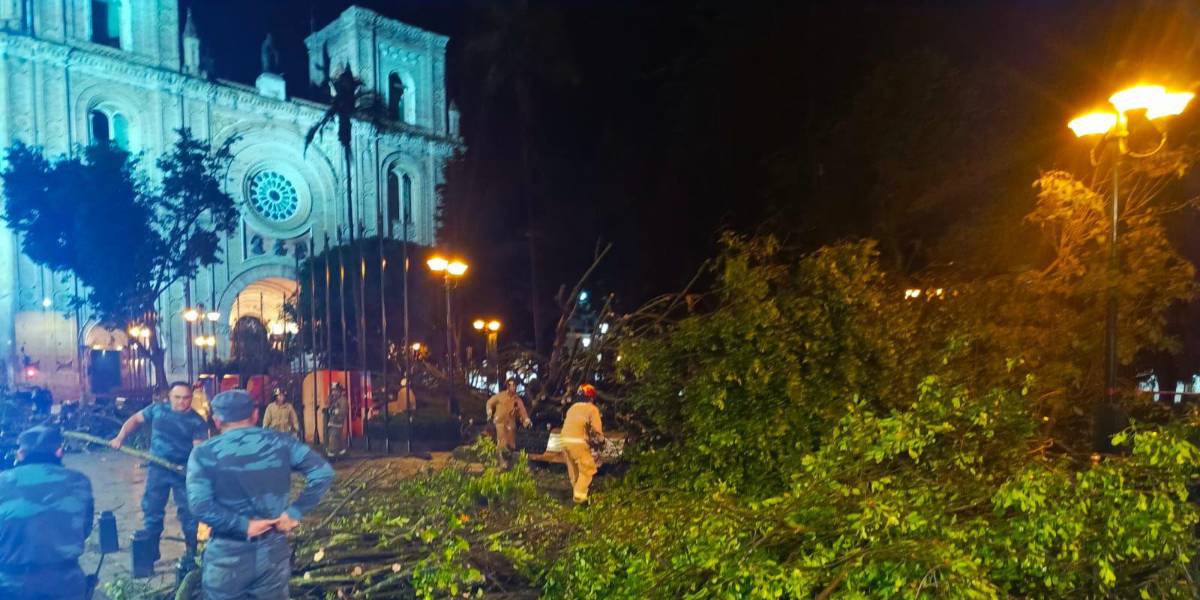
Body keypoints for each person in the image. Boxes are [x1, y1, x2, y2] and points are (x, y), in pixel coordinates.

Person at [187, 390, 334, 600]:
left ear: (217, 421)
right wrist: (294, 512)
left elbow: (199, 506)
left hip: (227, 555)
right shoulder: (282, 442)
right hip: (273, 551)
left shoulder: (204, 453)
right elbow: (323, 472)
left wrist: (244, 525)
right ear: (255, 415)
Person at [110, 381, 208, 563]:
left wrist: (194, 471)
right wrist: (120, 437)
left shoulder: (197, 422)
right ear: (169, 397)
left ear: (191, 398)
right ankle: (152, 550)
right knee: (152, 509)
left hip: (183, 472)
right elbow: (135, 420)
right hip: (158, 468)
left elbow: (198, 451)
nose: (181, 402)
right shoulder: (157, 410)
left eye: (186, 398)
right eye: (177, 397)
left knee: (188, 512)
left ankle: (191, 551)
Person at [0, 426, 94, 600]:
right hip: (65, 583)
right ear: (59, 452)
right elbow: (85, 530)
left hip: (10, 584)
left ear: (20, 454)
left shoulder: (2, 481)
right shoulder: (80, 481)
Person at [560, 384, 603, 505]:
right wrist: (601, 442)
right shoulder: (592, 409)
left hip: (564, 442)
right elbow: (597, 432)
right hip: (577, 443)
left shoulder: (572, 408)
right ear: (591, 397)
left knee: (574, 471)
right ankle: (579, 500)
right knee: (588, 469)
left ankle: (578, 494)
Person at [485, 379, 531, 459]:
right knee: (502, 441)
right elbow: (489, 402)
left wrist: (526, 419)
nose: (514, 387)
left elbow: (522, 411)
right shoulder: (500, 396)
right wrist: (489, 411)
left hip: (510, 424)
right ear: (508, 386)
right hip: (499, 422)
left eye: (515, 385)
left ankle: (510, 461)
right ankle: (501, 461)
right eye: (512, 385)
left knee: (511, 445)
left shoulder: (517, 400)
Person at [325, 382, 349, 456]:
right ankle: (341, 450)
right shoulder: (333, 399)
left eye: (336, 390)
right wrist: (330, 398)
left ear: (340, 391)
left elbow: (343, 411)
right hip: (332, 421)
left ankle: (332, 452)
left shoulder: (343, 400)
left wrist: (336, 412)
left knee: (334, 436)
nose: (334, 392)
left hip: (337, 421)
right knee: (335, 436)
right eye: (333, 390)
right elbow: (327, 405)